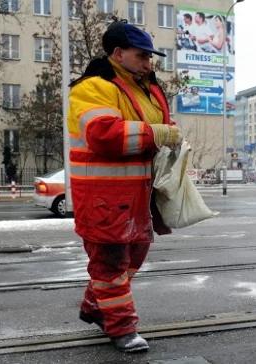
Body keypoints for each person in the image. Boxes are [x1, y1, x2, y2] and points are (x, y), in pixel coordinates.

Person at [68, 20, 182, 353]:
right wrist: (157, 134)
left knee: (132, 256)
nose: (149, 62)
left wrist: (171, 137)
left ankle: (94, 307)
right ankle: (121, 327)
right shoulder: (95, 87)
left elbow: (160, 127)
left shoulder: (145, 86)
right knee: (110, 262)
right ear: (118, 53)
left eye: (150, 57)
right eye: (142, 55)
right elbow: (103, 135)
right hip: (105, 195)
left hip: (139, 194)